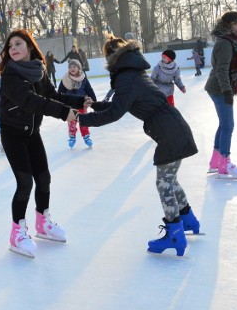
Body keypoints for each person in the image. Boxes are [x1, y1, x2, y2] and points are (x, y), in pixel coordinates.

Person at [77, 36, 200, 257]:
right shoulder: (134, 72)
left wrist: (82, 120)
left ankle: (175, 233)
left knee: (164, 184)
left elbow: (115, 113)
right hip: (173, 127)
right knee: (170, 179)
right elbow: (120, 104)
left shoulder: (126, 78)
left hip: (169, 133)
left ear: (111, 58)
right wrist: (94, 105)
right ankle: (189, 220)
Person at [0, 29, 85, 258]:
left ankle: (42, 223)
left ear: (29, 46)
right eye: (10, 46)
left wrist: (80, 101)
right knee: (25, 183)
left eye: (18, 44)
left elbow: (52, 95)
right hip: (13, 135)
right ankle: (17, 233)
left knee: (44, 178)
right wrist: (63, 113)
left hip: (32, 133)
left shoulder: (38, 71)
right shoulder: (9, 77)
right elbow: (31, 102)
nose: (13, 48)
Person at [205, 11, 237, 179]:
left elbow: (230, 67)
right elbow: (221, 69)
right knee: (228, 125)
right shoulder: (225, 43)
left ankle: (215, 162)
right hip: (219, 88)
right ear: (232, 24)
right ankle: (224, 164)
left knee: (224, 124)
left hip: (220, 86)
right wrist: (227, 91)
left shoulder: (228, 41)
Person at [58, 58, 97, 148]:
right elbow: (60, 92)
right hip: (70, 105)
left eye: (74, 66)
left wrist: (94, 102)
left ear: (78, 68)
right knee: (71, 121)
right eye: (70, 67)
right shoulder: (65, 79)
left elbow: (89, 90)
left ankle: (86, 136)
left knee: (84, 120)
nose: (72, 68)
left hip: (82, 104)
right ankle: (72, 137)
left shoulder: (83, 78)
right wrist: (60, 103)